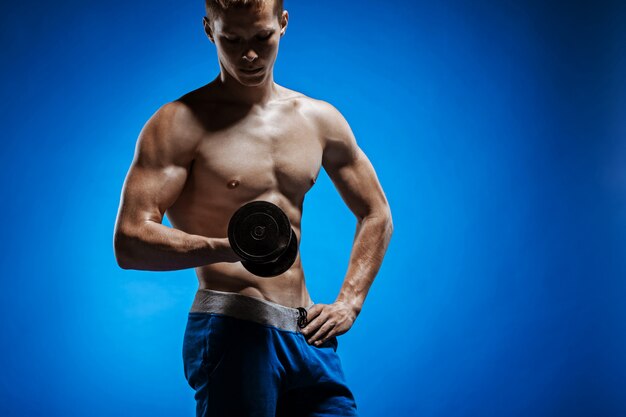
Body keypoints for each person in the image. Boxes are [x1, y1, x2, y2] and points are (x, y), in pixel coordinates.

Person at [113, 0, 393, 415]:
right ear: (210, 30)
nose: (249, 54)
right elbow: (130, 241)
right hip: (234, 327)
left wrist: (348, 302)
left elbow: (376, 213)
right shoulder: (178, 123)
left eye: (262, 38)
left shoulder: (319, 119)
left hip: (307, 337)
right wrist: (231, 247)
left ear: (282, 24)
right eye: (232, 39)